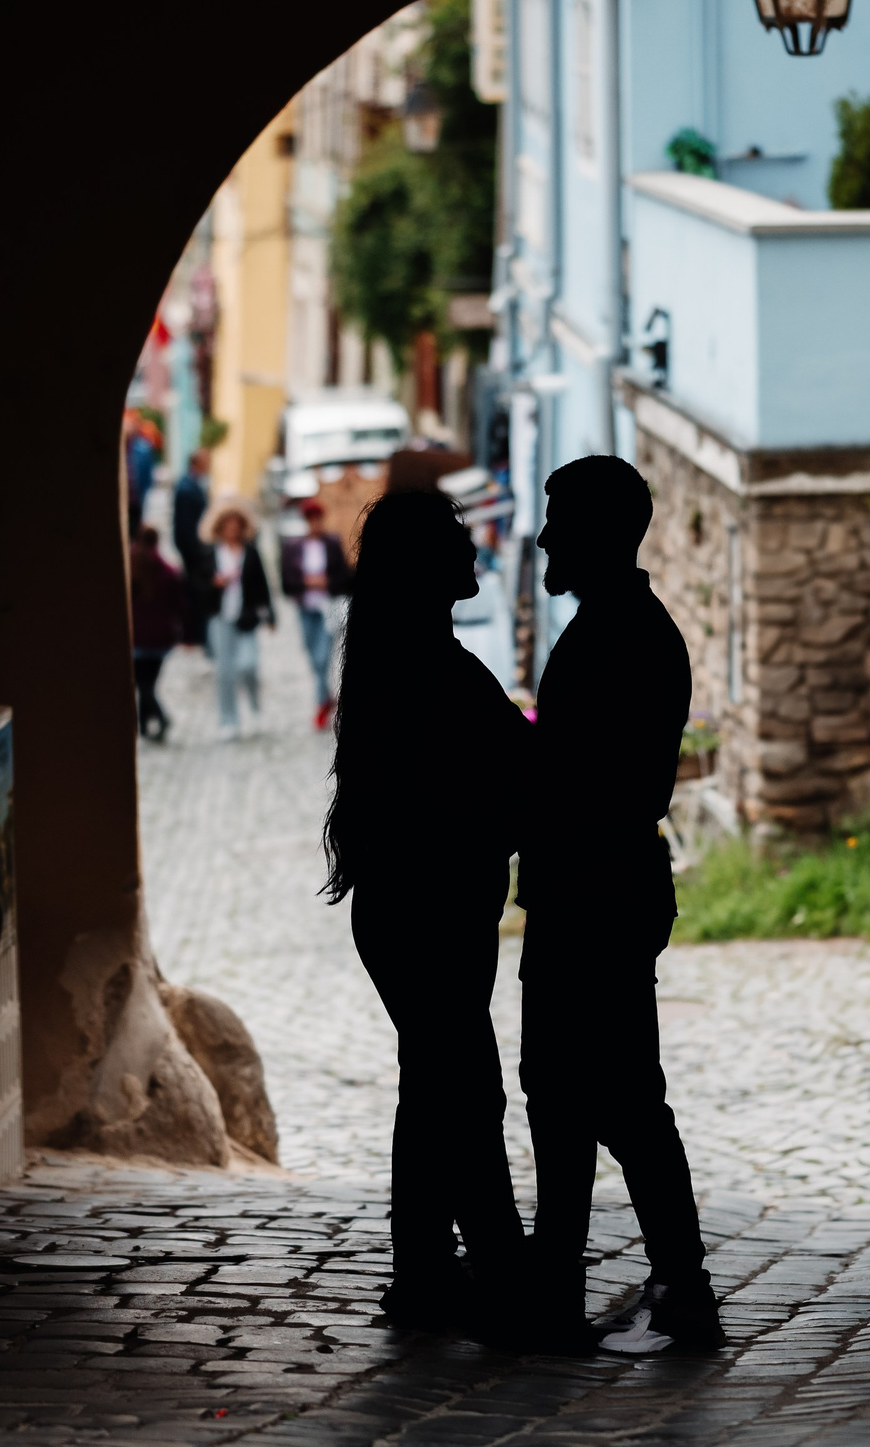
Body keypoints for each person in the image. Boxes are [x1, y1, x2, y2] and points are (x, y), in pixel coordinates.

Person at [515, 454, 722, 1356]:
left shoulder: (622, 636)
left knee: (600, 1097)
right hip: (593, 886)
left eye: (559, 520)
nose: (545, 535)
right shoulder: (614, 626)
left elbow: (600, 783)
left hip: (592, 891)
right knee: (583, 1093)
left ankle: (649, 1283)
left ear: (599, 532)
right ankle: (634, 1277)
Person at [320, 491, 527, 1328]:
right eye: (455, 543)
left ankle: (428, 1269)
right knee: (463, 1087)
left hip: (416, 905)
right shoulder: (425, 667)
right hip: (428, 908)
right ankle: (493, 1269)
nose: (473, 553)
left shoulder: (410, 655)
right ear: (424, 566)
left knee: (438, 1082)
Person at [201, 501, 274, 737]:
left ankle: (254, 703)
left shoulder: (250, 552)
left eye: (236, 525)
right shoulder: (211, 554)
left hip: (246, 618)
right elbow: (198, 587)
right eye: (227, 525)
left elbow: (262, 585)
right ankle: (228, 720)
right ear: (219, 527)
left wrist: (270, 613)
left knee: (248, 664)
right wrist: (215, 584)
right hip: (220, 618)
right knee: (224, 672)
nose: (232, 529)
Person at [279, 499, 353, 729]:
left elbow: (344, 576)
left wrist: (326, 583)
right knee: (313, 655)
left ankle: (321, 703)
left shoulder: (331, 543)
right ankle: (326, 696)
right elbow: (286, 581)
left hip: (327, 607)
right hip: (306, 608)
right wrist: (306, 583)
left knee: (323, 656)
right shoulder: (294, 547)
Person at [128, 524, 182, 741]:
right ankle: (147, 723)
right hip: (160, 638)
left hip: (138, 638)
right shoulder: (167, 572)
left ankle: (153, 720)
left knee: (144, 684)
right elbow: (178, 604)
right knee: (147, 683)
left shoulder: (131, 570)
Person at [173, 446, 215, 654]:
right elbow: (185, 527)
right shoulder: (187, 488)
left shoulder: (192, 485)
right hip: (193, 551)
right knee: (196, 593)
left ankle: (198, 634)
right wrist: (196, 552)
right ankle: (196, 635)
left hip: (196, 550)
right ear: (197, 463)